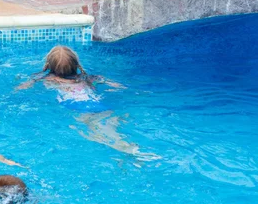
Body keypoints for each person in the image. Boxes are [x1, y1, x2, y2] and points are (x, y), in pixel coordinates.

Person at [17, 45, 159, 161]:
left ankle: (128, 150)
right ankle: (132, 148)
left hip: (79, 108)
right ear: (76, 65)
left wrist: (20, 84)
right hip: (100, 106)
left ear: (48, 66)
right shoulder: (87, 77)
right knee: (111, 129)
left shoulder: (48, 79)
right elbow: (115, 85)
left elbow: (23, 87)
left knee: (97, 135)